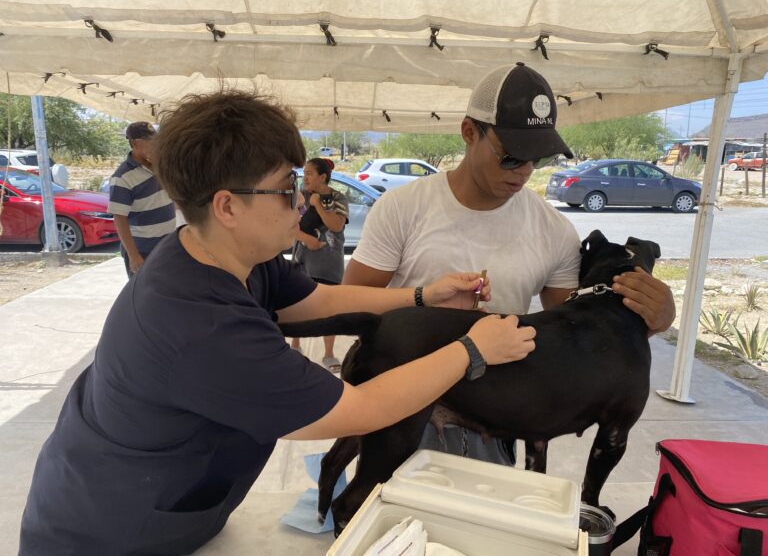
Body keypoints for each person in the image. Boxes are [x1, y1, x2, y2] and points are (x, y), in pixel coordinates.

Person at [19, 89, 538, 556]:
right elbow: (360, 409)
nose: (303, 203)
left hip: (166, 505)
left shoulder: (227, 254)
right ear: (227, 206)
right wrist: (473, 349)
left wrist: (424, 295)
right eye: (287, 190)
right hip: (104, 534)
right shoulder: (200, 325)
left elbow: (314, 300)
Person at [343, 62, 676, 465]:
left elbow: (578, 333)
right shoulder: (404, 208)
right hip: (404, 401)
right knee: (386, 515)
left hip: (494, 415)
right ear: (469, 132)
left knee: (485, 524)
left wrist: (653, 320)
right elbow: (351, 303)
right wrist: (423, 304)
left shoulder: (554, 230)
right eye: (511, 157)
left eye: (537, 158)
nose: (523, 172)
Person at [291, 157, 348, 372]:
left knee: (329, 309)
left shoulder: (338, 197)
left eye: (309, 174)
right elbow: (288, 225)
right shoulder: (299, 197)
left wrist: (318, 205)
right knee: (298, 304)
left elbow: (335, 225)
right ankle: (295, 345)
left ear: (322, 177)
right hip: (302, 260)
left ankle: (329, 354)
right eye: (303, 173)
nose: (304, 178)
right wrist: (308, 240)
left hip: (329, 264)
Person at [108, 121, 176, 277]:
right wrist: (133, 256)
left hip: (166, 244)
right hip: (143, 249)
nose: (155, 145)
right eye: (150, 142)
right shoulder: (122, 178)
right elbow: (119, 218)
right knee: (144, 295)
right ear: (134, 143)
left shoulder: (158, 166)